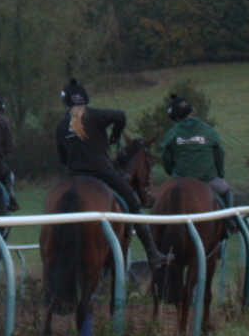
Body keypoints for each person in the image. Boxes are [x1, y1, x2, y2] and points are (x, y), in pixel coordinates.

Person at [54, 77, 168, 263]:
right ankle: (152, 252)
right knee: (132, 204)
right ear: (86, 99)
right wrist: (115, 135)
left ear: (64, 101)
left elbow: (62, 158)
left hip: (75, 175)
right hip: (102, 173)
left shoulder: (61, 125)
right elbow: (120, 115)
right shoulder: (96, 116)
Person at [157, 93, 233, 209]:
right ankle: (231, 221)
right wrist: (220, 173)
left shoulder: (171, 134)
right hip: (207, 179)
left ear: (177, 118)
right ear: (191, 111)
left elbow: (166, 158)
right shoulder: (208, 131)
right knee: (226, 190)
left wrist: (172, 173)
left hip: (179, 179)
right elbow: (220, 153)